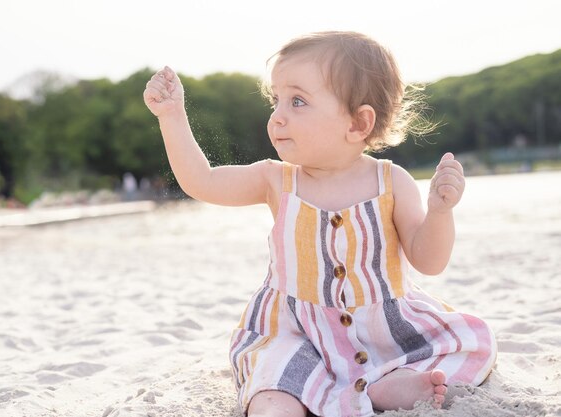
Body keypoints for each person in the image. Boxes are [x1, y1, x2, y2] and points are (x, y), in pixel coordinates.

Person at [143, 31, 496, 417]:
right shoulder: (276, 180)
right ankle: (284, 402)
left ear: (358, 123)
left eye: (297, 101)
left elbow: (429, 261)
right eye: (275, 100)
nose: (277, 115)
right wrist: (172, 117)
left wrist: (440, 213)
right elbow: (202, 180)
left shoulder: (392, 182)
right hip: (297, 334)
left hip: (384, 333)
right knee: (272, 386)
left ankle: (384, 385)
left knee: (470, 342)